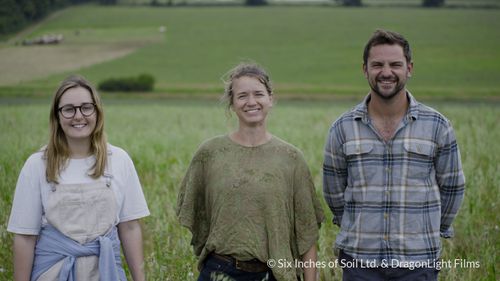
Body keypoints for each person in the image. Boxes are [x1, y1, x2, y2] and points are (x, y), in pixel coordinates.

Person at [323, 29, 465, 281]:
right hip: (359, 263)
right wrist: (357, 226)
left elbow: (452, 186)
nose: (386, 72)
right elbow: (334, 191)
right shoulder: (342, 127)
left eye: (395, 64)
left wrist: (432, 230)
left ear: (409, 68)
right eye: (377, 64)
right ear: (365, 69)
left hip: (418, 262)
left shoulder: (437, 125)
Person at [177, 63, 324, 281]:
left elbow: (307, 232)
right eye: (242, 96)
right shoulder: (209, 154)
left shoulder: (291, 158)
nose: (251, 102)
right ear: (232, 103)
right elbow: (197, 216)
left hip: (274, 273)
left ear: (270, 99)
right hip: (219, 271)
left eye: (258, 94)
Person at [8, 75, 150, 281]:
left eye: (86, 107)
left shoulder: (119, 160)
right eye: (68, 109)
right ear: (57, 116)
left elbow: (129, 227)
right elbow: (25, 237)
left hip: (105, 272)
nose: (78, 116)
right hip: (53, 273)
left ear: (97, 112)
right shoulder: (37, 165)